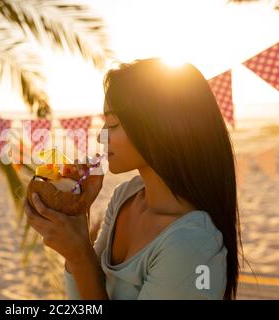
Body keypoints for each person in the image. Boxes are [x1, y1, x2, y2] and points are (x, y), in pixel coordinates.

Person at [24, 58, 242, 300]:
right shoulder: (125, 197)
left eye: (114, 123)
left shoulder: (192, 245)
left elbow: (84, 270)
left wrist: (79, 254)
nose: (100, 137)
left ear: (158, 127)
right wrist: (76, 216)